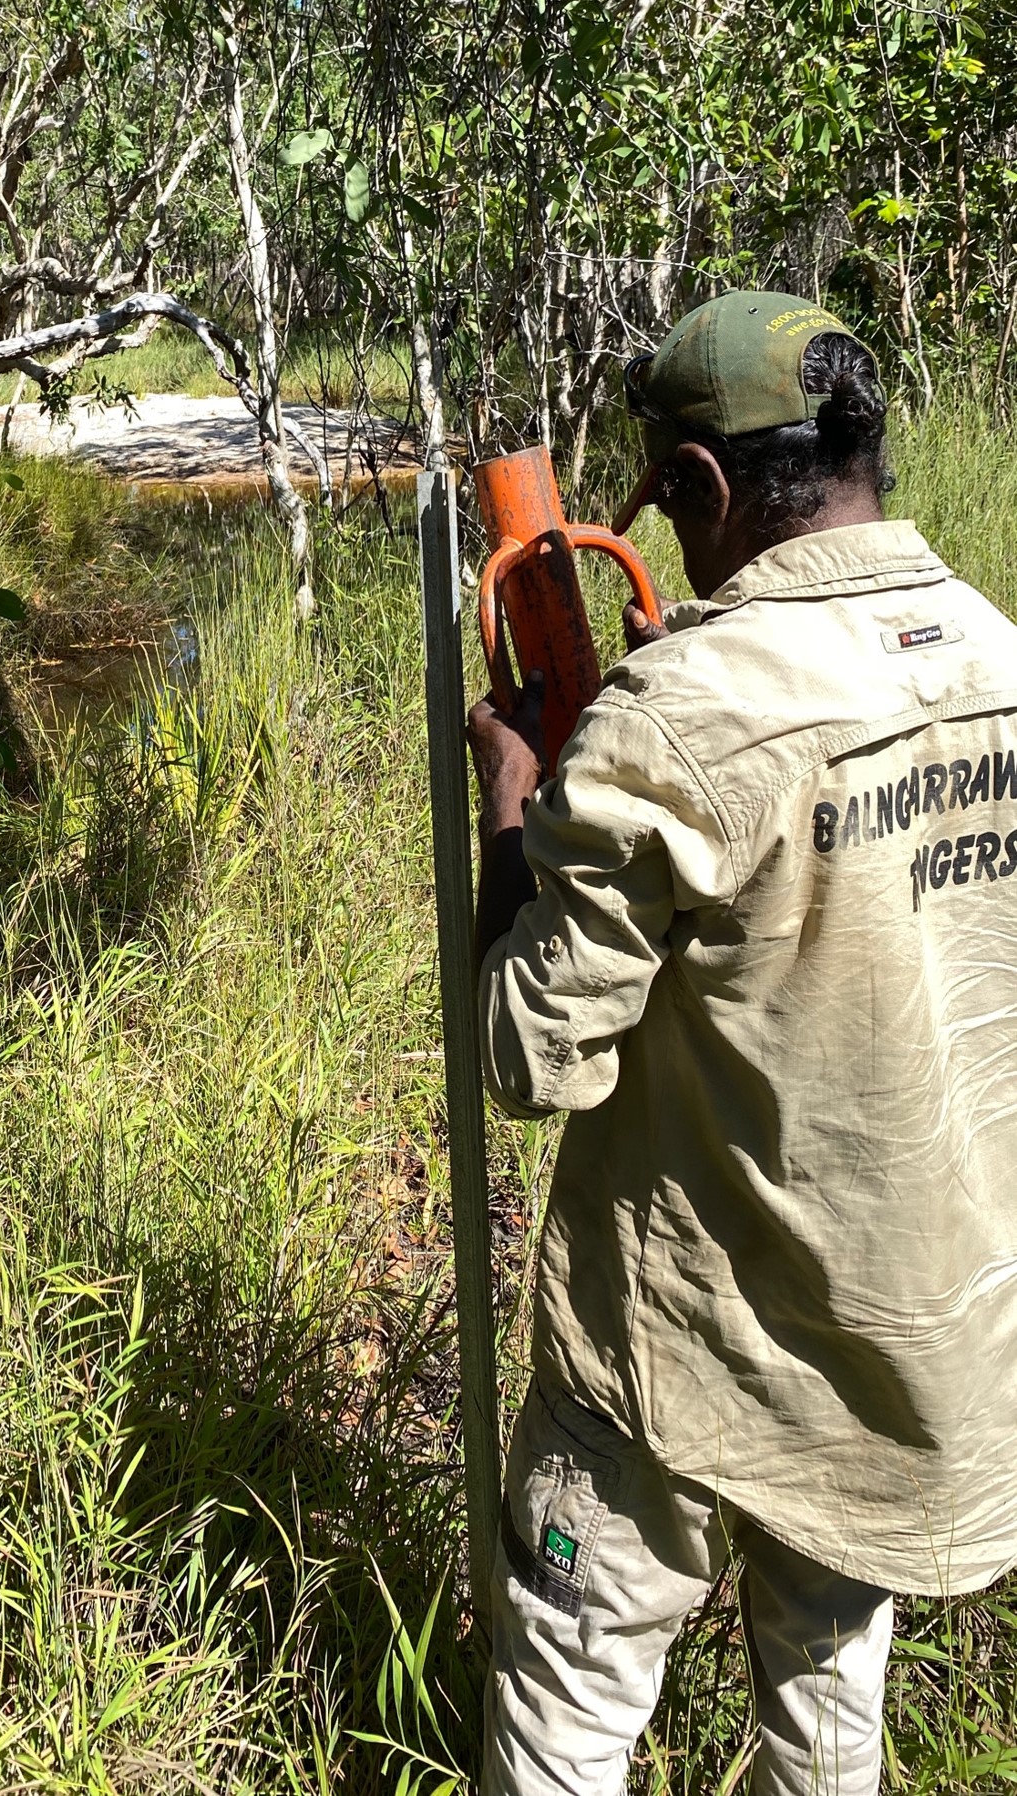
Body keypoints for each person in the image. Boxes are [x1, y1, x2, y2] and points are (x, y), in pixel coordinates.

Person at [464, 291, 1017, 1796]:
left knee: (572, 1709)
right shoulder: (996, 652)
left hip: (681, 1354)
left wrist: (515, 808)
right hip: (898, 1354)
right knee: (829, 1722)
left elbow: (529, 1056)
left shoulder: (680, 716)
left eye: (665, 503)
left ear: (702, 485)